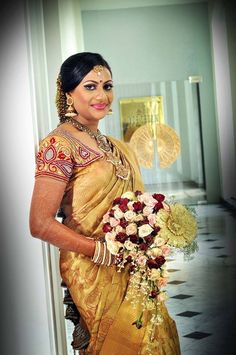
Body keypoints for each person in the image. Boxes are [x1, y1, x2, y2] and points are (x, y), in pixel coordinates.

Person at [29, 52, 180, 354]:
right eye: (90, 86)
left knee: (150, 340)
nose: (102, 95)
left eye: (107, 86)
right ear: (68, 92)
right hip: (92, 270)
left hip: (132, 266)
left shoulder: (114, 145)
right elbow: (40, 224)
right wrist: (101, 252)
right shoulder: (58, 145)